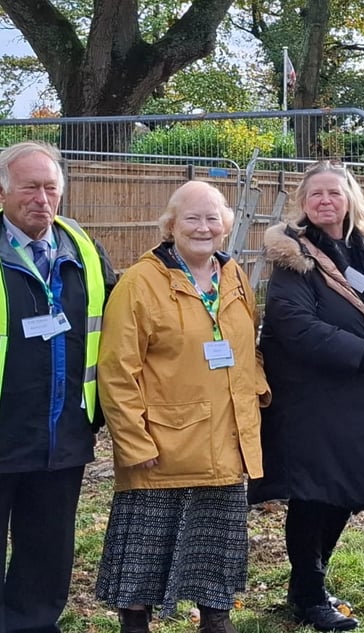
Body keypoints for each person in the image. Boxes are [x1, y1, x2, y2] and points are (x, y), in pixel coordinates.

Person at [95, 181, 269, 633]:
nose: (203, 227)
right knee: (142, 561)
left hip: (225, 444)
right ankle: (135, 625)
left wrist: (257, 396)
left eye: (213, 218)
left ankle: (216, 622)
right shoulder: (140, 283)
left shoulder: (234, 277)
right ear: (171, 225)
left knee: (217, 558)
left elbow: (247, 349)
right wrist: (134, 442)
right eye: (192, 218)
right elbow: (117, 371)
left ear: (227, 225)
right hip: (161, 448)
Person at [247, 162, 364, 631]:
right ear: (304, 202)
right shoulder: (293, 258)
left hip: (358, 398)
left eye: (333, 193)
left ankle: (308, 584)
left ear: (350, 200)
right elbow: (294, 325)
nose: (325, 201)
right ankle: (309, 591)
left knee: (345, 492)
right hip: (310, 397)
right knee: (313, 494)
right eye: (315, 193)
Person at [0, 141, 115, 633]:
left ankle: (31, 624)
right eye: (29, 187)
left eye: (50, 188)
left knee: (47, 547)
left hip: (62, 431)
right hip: (4, 427)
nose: (41, 199)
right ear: (2, 193)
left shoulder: (83, 249)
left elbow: (117, 326)